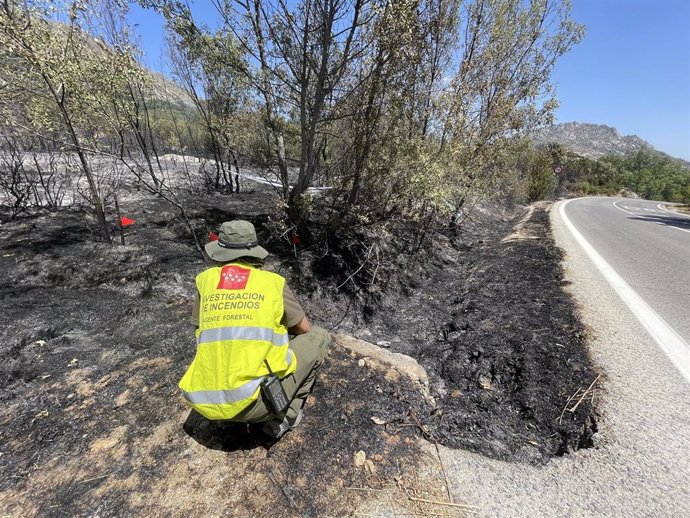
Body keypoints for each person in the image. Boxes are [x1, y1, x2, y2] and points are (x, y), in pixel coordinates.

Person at [179, 220, 330, 438]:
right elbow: (304, 328)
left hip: (205, 404)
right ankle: (285, 416)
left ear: (219, 251)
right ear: (254, 251)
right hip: (256, 405)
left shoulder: (205, 281)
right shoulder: (272, 282)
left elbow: (202, 327)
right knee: (319, 337)